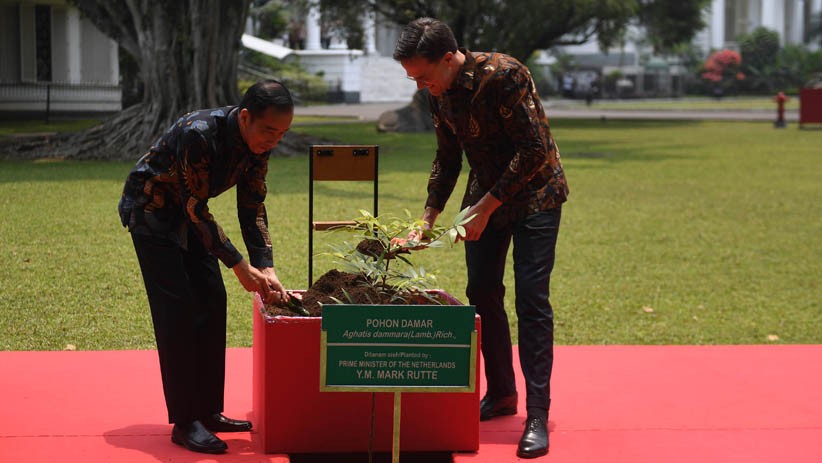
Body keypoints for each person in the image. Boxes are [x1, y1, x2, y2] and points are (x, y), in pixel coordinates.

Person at [392, 18, 569, 458]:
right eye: (414, 79)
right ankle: (502, 393)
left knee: (531, 298)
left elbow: (533, 150)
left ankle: (537, 414)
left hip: (536, 194)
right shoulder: (440, 93)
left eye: (424, 76)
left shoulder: (505, 74)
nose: (421, 86)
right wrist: (428, 217)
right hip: (484, 195)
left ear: (449, 59)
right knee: (482, 293)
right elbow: (448, 156)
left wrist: (484, 209)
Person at [118, 80, 294, 454]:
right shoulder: (199, 134)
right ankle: (185, 422)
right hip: (151, 212)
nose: (274, 141)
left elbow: (252, 207)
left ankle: (208, 410)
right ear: (245, 117)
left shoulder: (260, 146)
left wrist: (267, 266)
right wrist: (240, 265)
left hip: (191, 216)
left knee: (212, 302)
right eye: (269, 131)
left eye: (282, 133)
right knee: (177, 312)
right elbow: (195, 208)